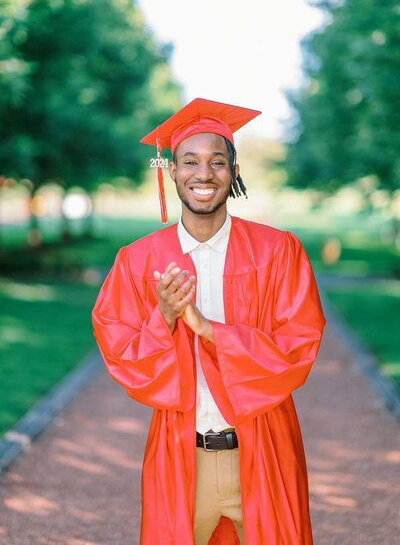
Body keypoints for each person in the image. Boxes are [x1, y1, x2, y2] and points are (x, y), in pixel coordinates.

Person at [91, 97, 326, 545]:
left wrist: (208, 329)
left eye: (218, 161)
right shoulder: (138, 260)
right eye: (190, 161)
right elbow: (122, 356)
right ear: (172, 171)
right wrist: (163, 317)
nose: (204, 173)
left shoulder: (278, 252)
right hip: (180, 453)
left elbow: (298, 347)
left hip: (265, 449)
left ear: (234, 171)